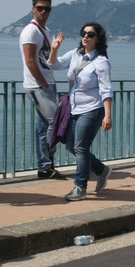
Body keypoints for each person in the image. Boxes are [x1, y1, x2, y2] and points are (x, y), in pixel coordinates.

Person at [48, 22, 113, 201]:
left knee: (81, 147)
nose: (85, 36)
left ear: (97, 38)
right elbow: (54, 65)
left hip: (92, 108)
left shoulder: (101, 62)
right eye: (83, 33)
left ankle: (80, 186)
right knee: (71, 145)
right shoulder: (75, 55)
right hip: (74, 108)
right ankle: (101, 170)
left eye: (90, 34)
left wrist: (107, 115)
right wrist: (54, 49)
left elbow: (106, 90)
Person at [19, 0, 64, 179]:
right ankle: (48, 162)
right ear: (33, 9)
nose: (44, 11)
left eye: (47, 8)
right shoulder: (30, 31)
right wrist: (43, 84)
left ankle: (44, 168)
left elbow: (45, 60)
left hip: (46, 84)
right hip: (38, 86)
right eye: (40, 8)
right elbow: (30, 61)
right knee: (56, 121)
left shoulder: (44, 31)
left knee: (42, 128)